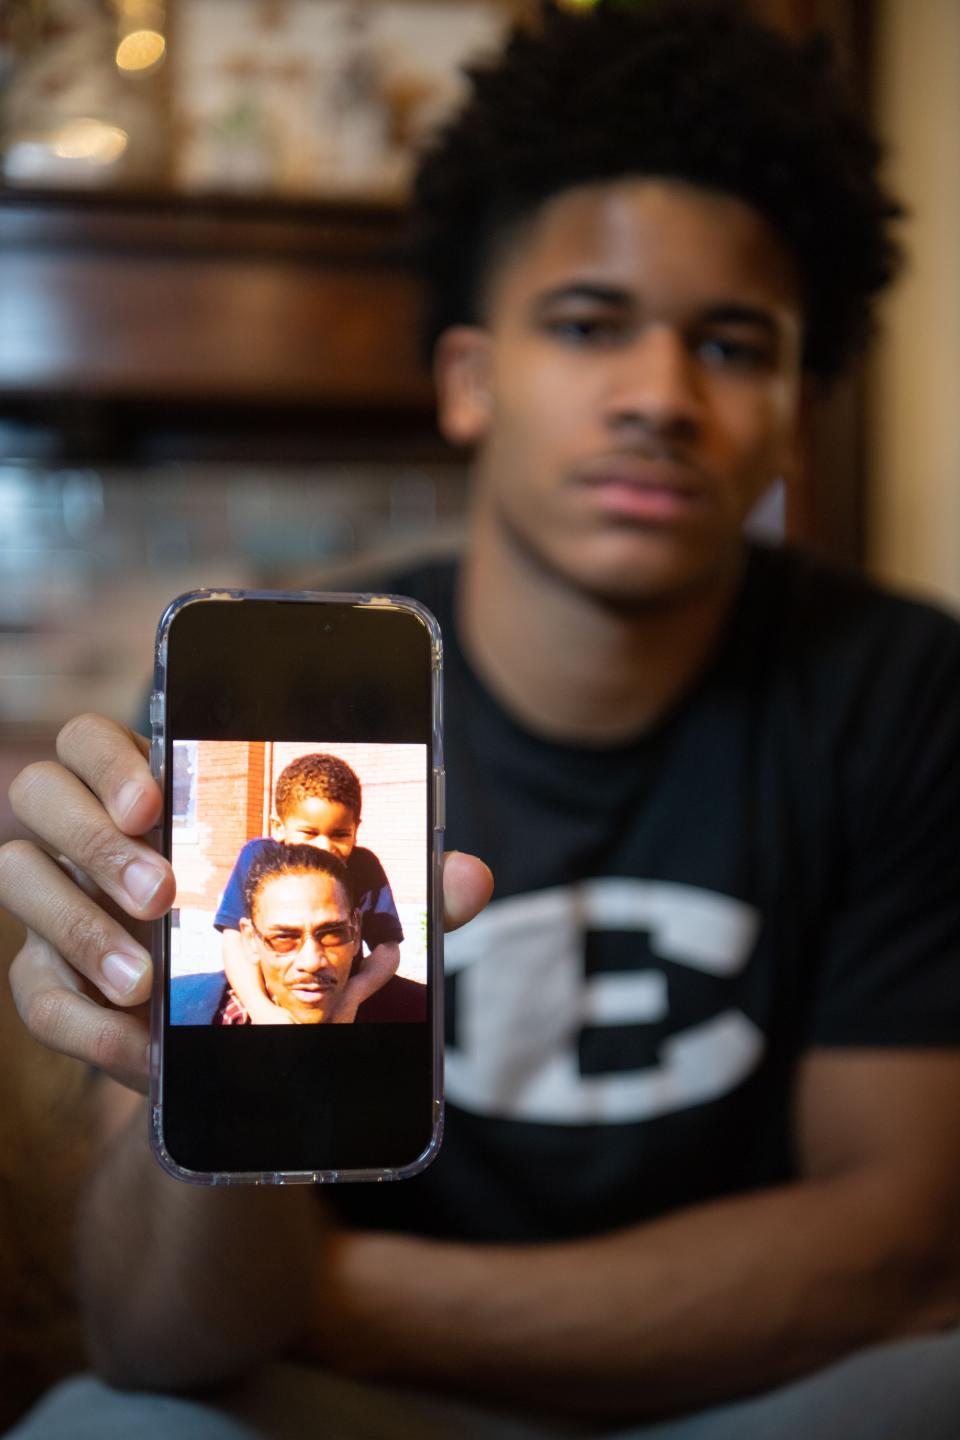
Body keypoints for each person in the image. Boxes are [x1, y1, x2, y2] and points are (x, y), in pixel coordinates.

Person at [2, 3, 960, 1437]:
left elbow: (894, 1253)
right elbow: (159, 1343)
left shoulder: (904, 690)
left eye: (733, 345)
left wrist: (332, 1298)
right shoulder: (273, 714)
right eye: (588, 325)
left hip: (763, 1400)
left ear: (789, 416)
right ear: (469, 380)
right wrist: (171, 1079)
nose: (658, 398)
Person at [216, 753, 404, 1026]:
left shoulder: (364, 866)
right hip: (273, 994)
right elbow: (233, 939)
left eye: (340, 834)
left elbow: (388, 948)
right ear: (279, 827)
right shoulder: (258, 857)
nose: (324, 846)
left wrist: (352, 995)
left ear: (356, 829)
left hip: (337, 994)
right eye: (309, 832)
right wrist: (260, 1006)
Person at [197, 841, 425, 1026]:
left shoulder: (420, 1012)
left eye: (332, 934)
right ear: (250, 940)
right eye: (284, 938)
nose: (312, 961)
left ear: (356, 931)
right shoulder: (196, 1014)